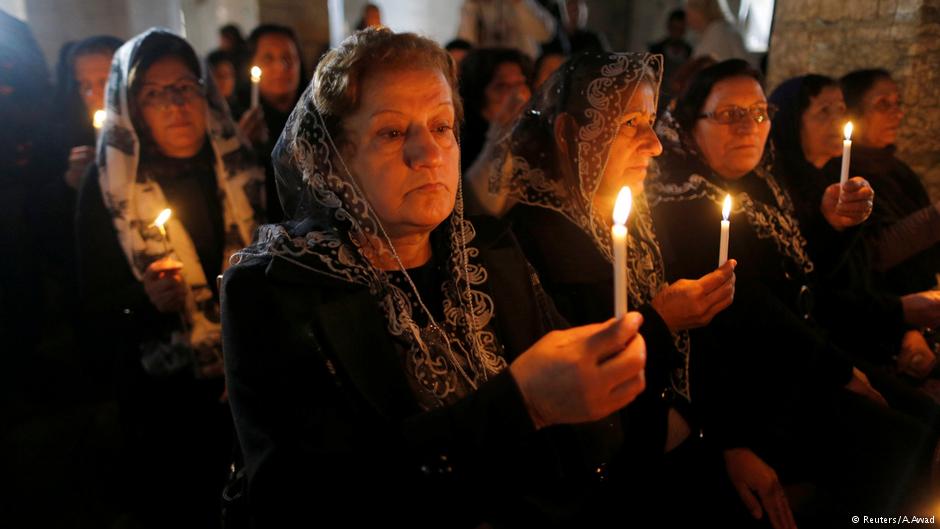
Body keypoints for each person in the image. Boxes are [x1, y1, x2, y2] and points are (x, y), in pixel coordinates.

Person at [222, 27, 649, 528]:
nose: (427, 153)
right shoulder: (272, 290)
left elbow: (578, 443)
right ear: (333, 161)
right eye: (392, 132)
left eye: (442, 126)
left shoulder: (490, 252)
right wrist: (520, 404)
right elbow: (301, 498)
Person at [469, 50, 759, 525]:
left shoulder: (638, 215)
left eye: (651, 120)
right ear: (568, 134)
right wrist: (663, 321)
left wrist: (729, 439)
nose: (655, 144)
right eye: (629, 124)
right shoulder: (532, 239)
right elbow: (581, 394)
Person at [647, 59, 937, 524]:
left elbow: (804, 281)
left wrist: (831, 227)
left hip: (798, 356)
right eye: (729, 115)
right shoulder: (684, 203)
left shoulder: (762, 184)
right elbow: (755, 312)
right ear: (690, 124)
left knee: (925, 419)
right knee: (899, 445)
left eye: (759, 113)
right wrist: (843, 370)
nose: (749, 127)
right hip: (753, 382)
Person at [75, 29, 265, 528]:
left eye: (185, 87)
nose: (177, 105)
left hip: (255, 382)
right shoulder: (107, 190)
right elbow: (92, 307)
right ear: (132, 106)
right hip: (166, 398)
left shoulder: (244, 168)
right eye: (155, 94)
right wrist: (144, 300)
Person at [840, 68, 940, 302]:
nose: (898, 114)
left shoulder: (897, 169)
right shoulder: (845, 174)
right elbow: (873, 253)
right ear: (853, 112)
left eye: (898, 103)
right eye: (884, 105)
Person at [236, 24, 305, 222]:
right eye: (268, 59)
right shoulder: (238, 118)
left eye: (287, 59)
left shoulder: (319, 116)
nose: (280, 68)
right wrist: (242, 147)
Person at [458, 48, 532, 175]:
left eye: (520, 84)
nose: (518, 95)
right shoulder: (463, 146)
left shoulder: (532, 135)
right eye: (503, 87)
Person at [457, 0, 556, 59]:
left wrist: (518, 3)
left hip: (523, 68)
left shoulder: (522, 3)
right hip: (487, 72)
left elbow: (545, 35)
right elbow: (465, 45)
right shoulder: (472, 5)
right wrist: (471, 6)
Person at [649, 9, 692, 108]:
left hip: (680, 101)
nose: (676, 33)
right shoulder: (656, 50)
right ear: (668, 27)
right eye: (674, 28)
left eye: (680, 30)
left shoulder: (690, 52)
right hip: (658, 100)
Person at [686, 0, 750, 64]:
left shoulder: (717, 33)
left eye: (689, 14)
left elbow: (703, 65)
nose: (687, 20)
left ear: (698, 13)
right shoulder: (719, 29)